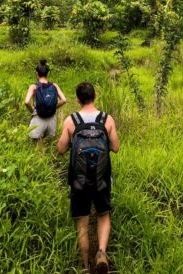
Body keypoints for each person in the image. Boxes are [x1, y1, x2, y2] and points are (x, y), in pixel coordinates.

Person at [57, 82, 120, 274]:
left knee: (82, 221)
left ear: (77, 99)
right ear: (95, 96)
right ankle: (101, 253)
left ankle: (85, 266)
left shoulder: (71, 121)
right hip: (102, 177)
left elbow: (60, 150)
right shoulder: (106, 119)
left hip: (79, 179)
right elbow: (116, 148)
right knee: (103, 214)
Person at [24, 60, 67, 149]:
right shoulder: (54, 85)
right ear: (48, 73)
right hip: (51, 118)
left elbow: (27, 102)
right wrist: (53, 107)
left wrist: (33, 111)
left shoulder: (33, 87)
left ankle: (40, 159)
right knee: (48, 144)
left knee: (37, 146)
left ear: (36, 73)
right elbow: (64, 100)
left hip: (38, 118)